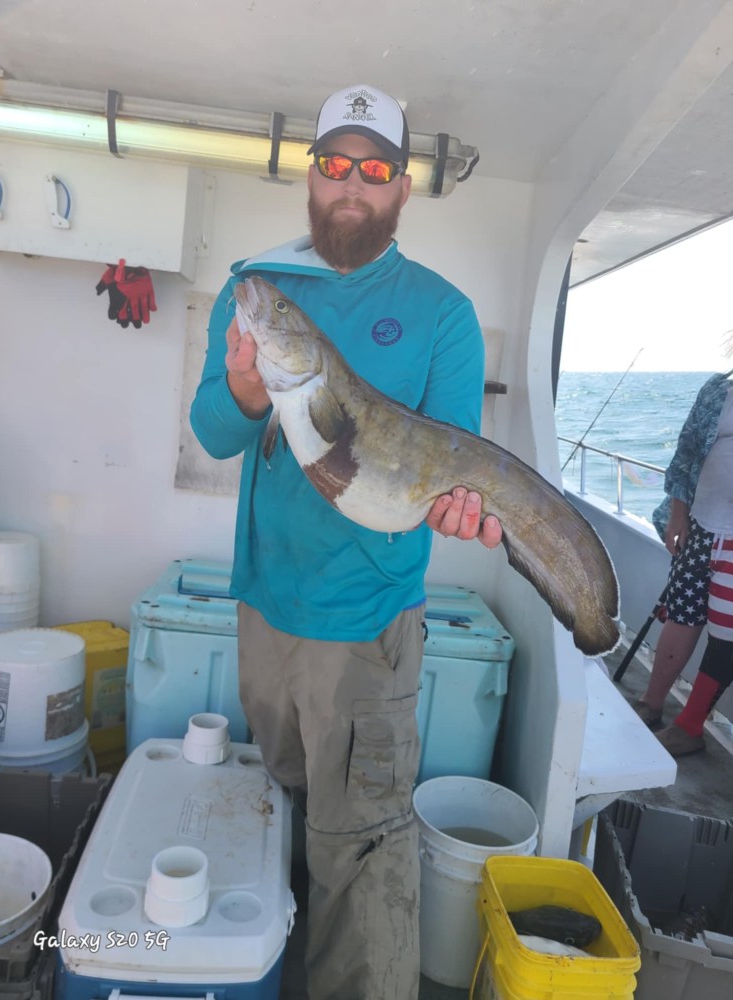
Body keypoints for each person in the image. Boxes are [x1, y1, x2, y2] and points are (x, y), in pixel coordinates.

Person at [190, 83, 501, 1000]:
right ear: (311, 177)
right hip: (264, 607)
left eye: (374, 169)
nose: (351, 186)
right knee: (288, 802)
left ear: (402, 188)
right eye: (335, 166)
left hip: (365, 624)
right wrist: (250, 394)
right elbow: (213, 431)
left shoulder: (443, 313)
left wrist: (457, 505)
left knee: (360, 846)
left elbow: (449, 463)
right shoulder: (260, 290)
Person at [634, 364, 733, 743]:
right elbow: (686, 454)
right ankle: (652, 701)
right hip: (702, 526)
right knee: (681, 616)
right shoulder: (717, 392)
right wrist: (678, 515)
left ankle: (689, 726)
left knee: (728, 635)